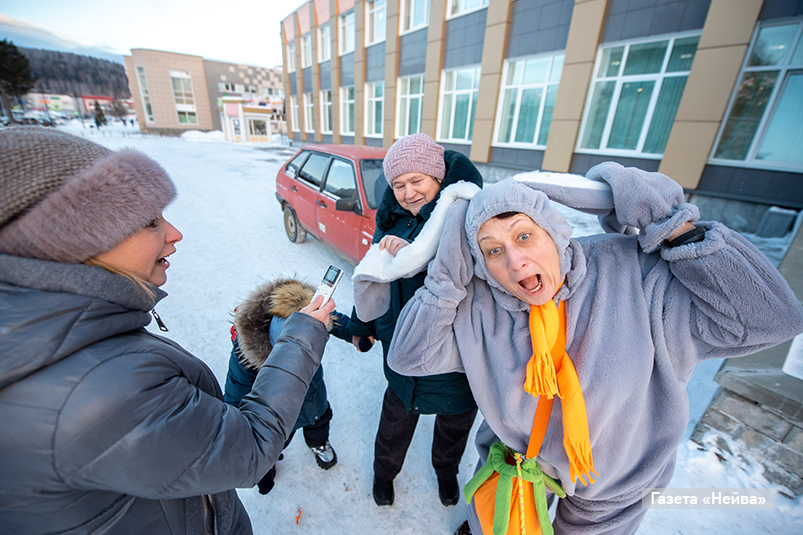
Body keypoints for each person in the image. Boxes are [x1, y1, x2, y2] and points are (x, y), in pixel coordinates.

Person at [354, 163, 803, 534]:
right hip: (515, 464)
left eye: (524, 236)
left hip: (613, 484)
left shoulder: (632, 274)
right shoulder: (482, 303)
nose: (515, 261)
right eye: (492, 251)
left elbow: (769, 320)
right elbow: (409, 357)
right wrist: (445, 279)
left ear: (555, 231)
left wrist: (674, 228)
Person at [0, 126, 335, 535]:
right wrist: (302, 336)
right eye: (149, 221)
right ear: (72, 240)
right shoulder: (100, 388)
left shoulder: (62, 341)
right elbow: (248, 448)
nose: (174, 233)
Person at [349, 133, 482, 507]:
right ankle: (383, 474)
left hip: (454, 355)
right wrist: (363, 326)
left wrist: (415, 259)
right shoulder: (390, 224)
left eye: (417, 181)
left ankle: (445, 473)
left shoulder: (465, 217)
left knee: (453, 427)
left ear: (438, 178)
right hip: (402, 348)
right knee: (395, 422)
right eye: (399, 184)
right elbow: (371, 279)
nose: (408, 193)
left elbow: (476, 277)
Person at [224, 278, 352, 494]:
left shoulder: (304, 320)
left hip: (312, 396)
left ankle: (319, 444)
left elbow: (329, 318)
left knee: (319, 420)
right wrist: (258, 462)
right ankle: (269, 462)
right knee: (274, 442)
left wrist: (354, 332)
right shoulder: (246, 361)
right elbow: (234, 401)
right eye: (296, 354)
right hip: (278, 414)